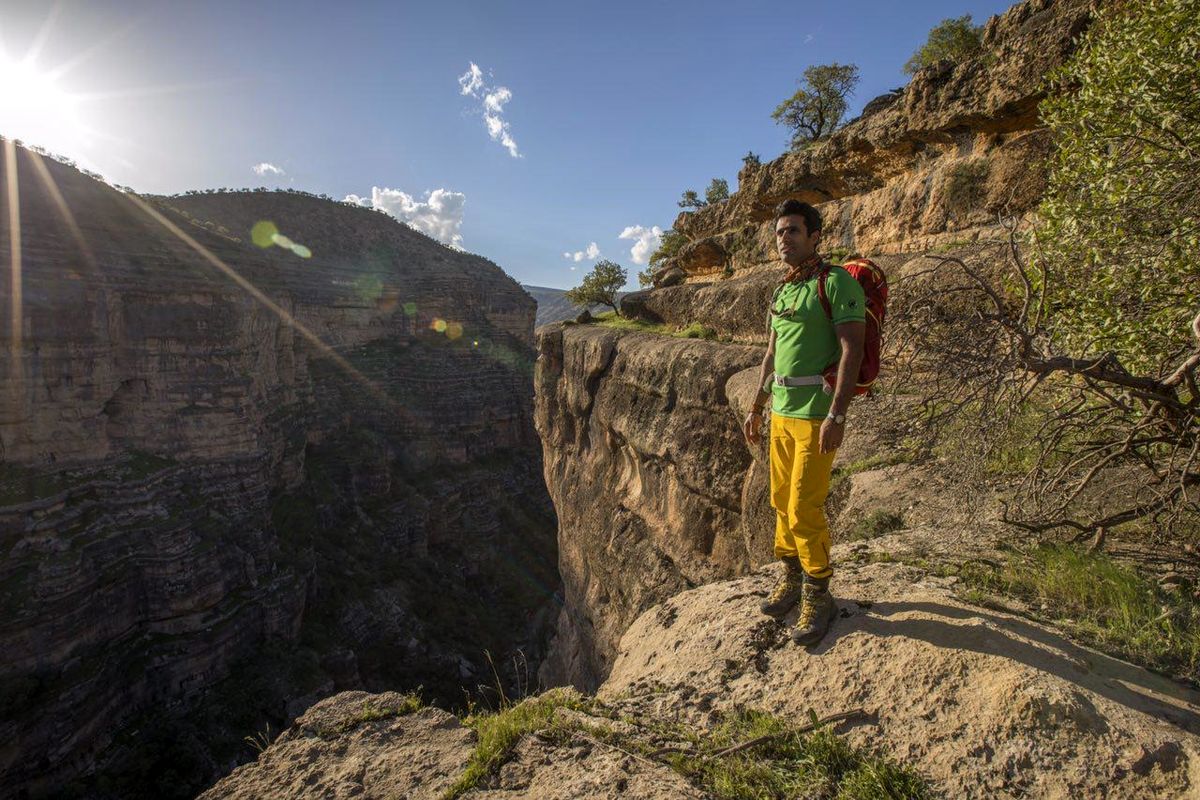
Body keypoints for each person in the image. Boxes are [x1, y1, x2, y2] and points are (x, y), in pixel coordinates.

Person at [742, 199, 865, 646]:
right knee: (779, 500)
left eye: (793, 230)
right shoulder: (784, 290)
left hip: (816, 414)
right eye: (779, 232)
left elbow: (852, 348)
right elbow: (771, 354)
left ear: (815, 235)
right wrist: (757, 405)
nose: (784, 238)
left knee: (803, 506)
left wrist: (838, 414)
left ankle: (818, 591)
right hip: (782, 410)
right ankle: (791, 577)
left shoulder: (835, 284)